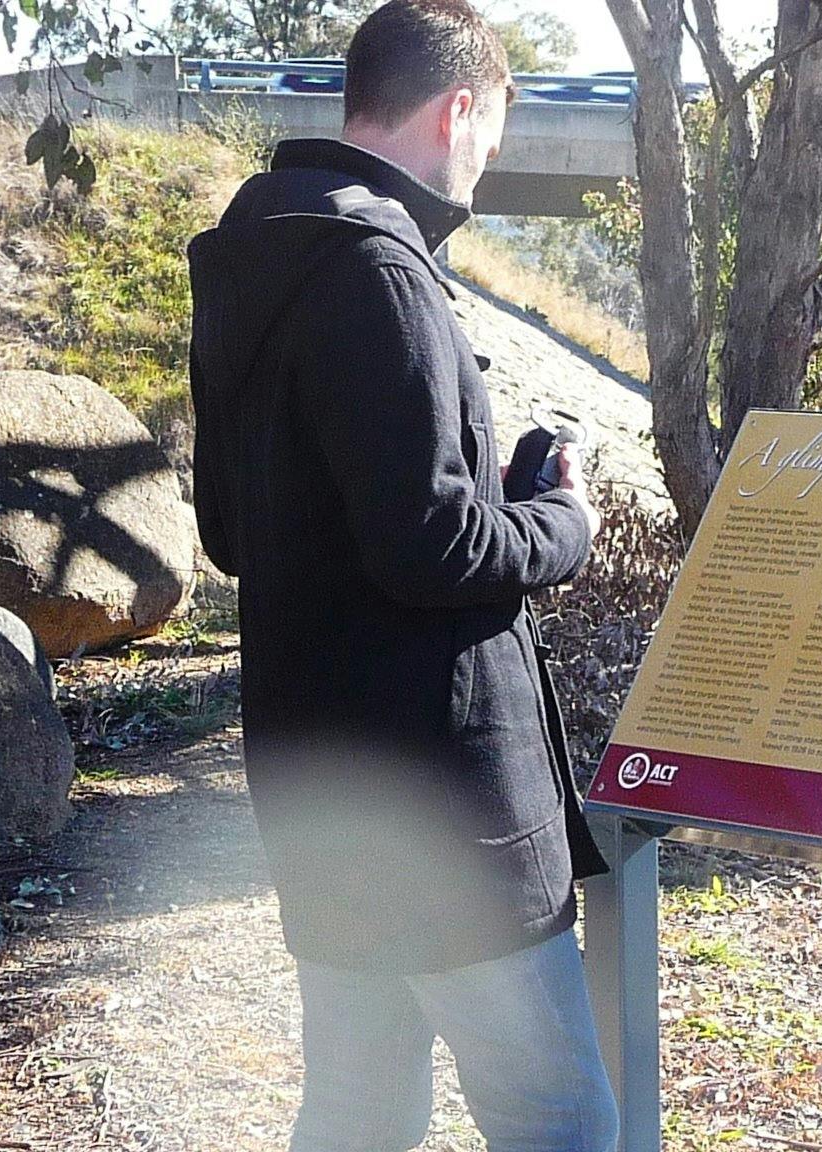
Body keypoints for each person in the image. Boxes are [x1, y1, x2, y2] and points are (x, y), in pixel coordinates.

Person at [185, 3, 617, 1149]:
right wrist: (559, 520)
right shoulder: (379, 268)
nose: (484, 165)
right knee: (558, 1120)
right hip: (445, 809)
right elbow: (434, 548)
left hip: (321, 791)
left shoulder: (255, 246)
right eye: (488, 135)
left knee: (359, 1114)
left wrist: (490, 496)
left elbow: (231, 529)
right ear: (455, 108)